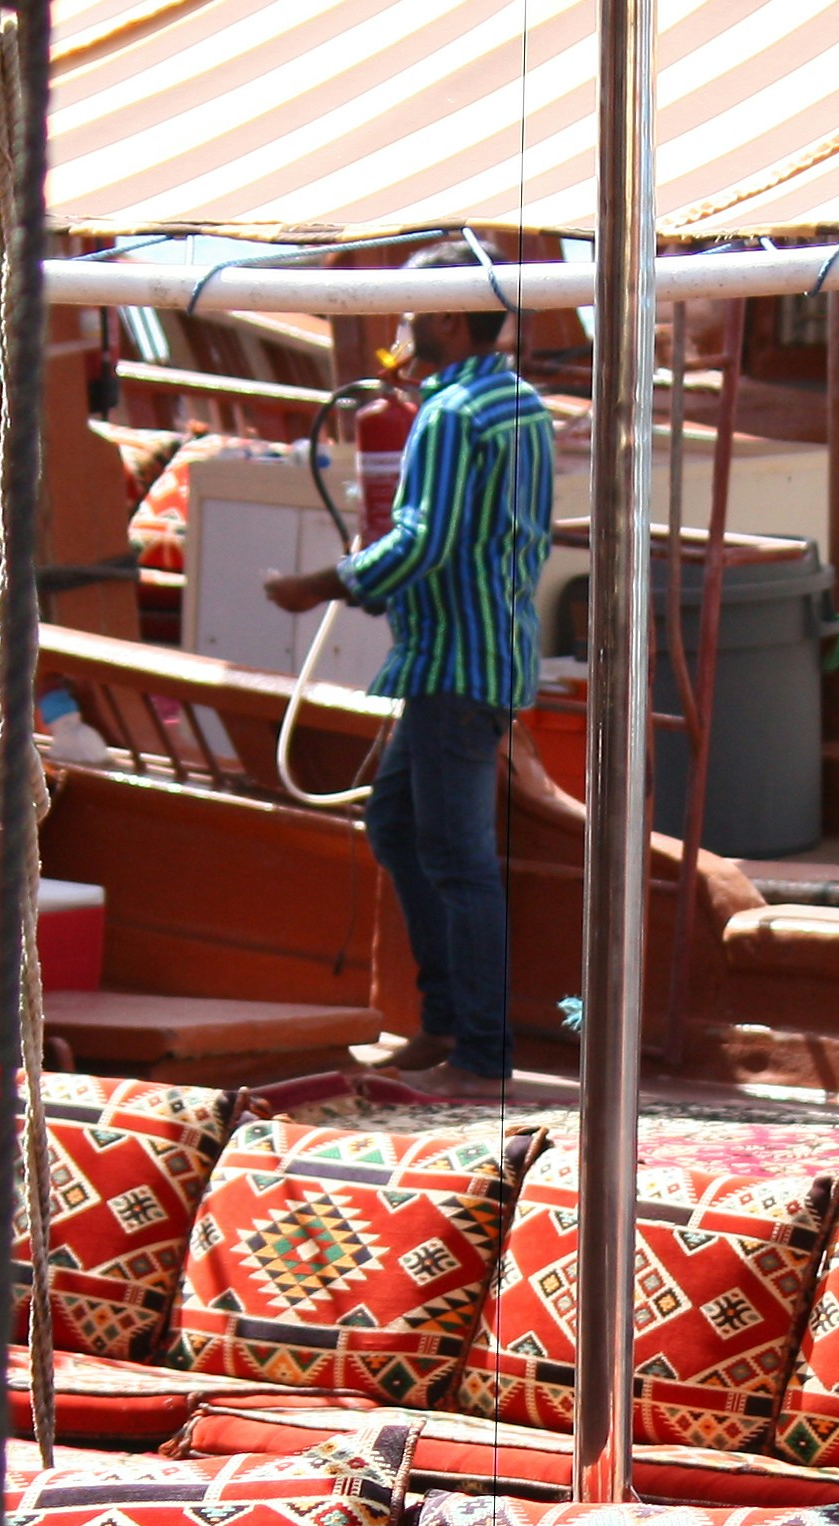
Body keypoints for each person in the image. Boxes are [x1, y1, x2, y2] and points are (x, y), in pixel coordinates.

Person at [261, 240, 555, 1087]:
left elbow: (424, 542)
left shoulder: (453, 416)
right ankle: (447, 1022)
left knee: (457, 857)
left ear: (451, 319)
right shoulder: (521, 404)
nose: (401, 326)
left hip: (453, 665)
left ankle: (480, 1049)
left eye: (413, 312)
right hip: (477, 655)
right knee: (395, 827)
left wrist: (322, 584)